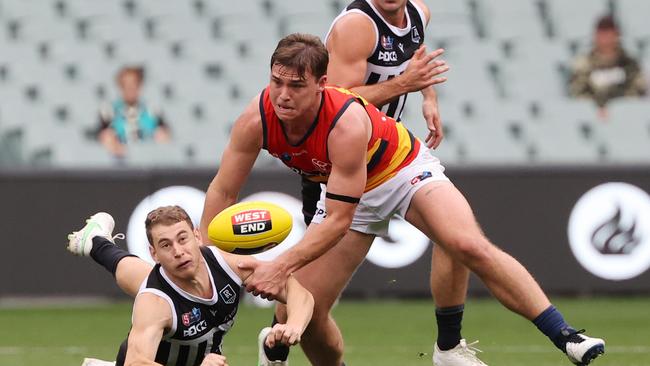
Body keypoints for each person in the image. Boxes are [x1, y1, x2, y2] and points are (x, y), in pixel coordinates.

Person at [200, 33, 606, 366]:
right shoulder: (256, 118)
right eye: (276, 82)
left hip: (401, 169)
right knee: (305, 315)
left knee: (465, 243)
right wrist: (205, 256)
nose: (282, 95)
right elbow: (223, 190)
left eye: (296, 85)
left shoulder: (345, 123)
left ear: (322, 86)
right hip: (346, 188)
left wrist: (280, 266)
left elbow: (340, 220)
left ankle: (562, 336)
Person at [265, 1, 471, 365]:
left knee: (457, 239)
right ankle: (274, 346)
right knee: (305, 302)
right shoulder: (356, 27)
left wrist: (428, 96)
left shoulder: (417, 13)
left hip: (384, 160)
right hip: (334, 166)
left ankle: (450, 348)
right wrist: (406, 84)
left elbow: (414, 57)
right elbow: (338, 101)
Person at [66, 207, 314, 366]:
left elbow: (300, 294)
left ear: (197, 237)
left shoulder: (227, 265)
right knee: (153, 286)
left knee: (146, 277)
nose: (178, 251)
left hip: (203, 355)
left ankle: (96, 242)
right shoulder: (154, 303)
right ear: (153, 253)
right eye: (165, 245)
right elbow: (135, 364)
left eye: (183, 239)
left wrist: (294, 326)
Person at [569, 15, 647, 119]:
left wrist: (616, 108)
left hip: (626, 117)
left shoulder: (630, 63)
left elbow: (639, 91)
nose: (606, 40)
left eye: (609, 35)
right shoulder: (584, 64)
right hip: (593, 117)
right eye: (602, 35)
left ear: (616, 35)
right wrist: (599, 105)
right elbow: (577, 92)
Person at [97, 66, 171, 157]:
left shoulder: (153, 109)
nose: (130, 88)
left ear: (140, 86)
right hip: (118, 158)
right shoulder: (108, 110)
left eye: (134, 84)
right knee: (107, 136)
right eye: (126, 84)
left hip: (149, 157)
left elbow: (164, 134)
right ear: (120, 86)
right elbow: (103, 136)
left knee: (162, 134)